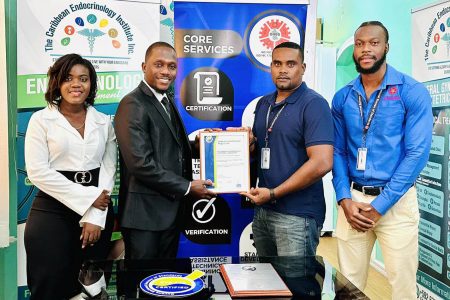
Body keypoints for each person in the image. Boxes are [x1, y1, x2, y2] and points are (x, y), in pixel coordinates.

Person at [332, 21, 432, 299]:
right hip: (353, 201)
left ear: (386, 47)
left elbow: (416, 154)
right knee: (348, 285)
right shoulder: (343, 97)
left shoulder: (411, 92)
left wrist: (379, 206)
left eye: (373, 43)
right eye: (360, 43)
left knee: (402, 288)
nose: (366, 49)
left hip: (396, 204)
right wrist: (344, 198)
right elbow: (337, 151)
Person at [24, 53, 116, 299]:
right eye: (68, 78)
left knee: (90, 289)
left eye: (83, 79)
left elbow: (108, 169)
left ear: (91, 84)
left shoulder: (103, 122)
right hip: (52, 211)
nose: (76, 84)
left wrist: (95, 215)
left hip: (98, 209)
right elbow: (37, 172)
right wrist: (89, 197)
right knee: (50, 285)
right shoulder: (41, 120)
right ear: (57, 82)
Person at [114, 41, 216, 260]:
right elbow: (140, 164)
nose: (165, 72)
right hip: (144, 218)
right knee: (142, 286)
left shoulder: (166, 100)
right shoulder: (133, 103)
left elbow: (172, 148)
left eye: (171, 66)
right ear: (144, 67)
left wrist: (202, 144)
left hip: (169, 214)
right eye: (158, 64)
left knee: (163, 284)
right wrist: (187, 186)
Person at [241, 42, 334, 259]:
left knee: (297, 285)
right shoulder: (264, 103)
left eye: (290, 64)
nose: (283, 69)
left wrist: (274, 193)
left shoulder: (314, 104)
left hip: (297, 215)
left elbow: (322, 162)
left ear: (303, 67)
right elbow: (267, 149)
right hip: (264, 211)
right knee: (268, 283)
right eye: (277, 63)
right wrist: (250, 144)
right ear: (271, 67)